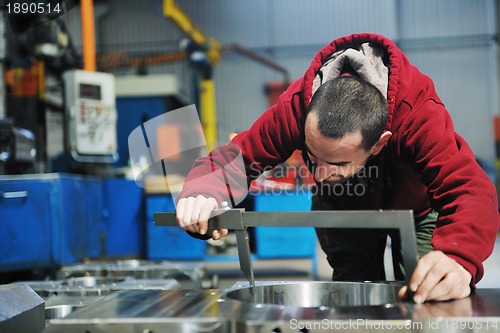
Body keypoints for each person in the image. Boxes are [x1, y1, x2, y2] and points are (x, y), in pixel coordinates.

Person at [175, 32, 500, 303]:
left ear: (379, 143)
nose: (319, 173)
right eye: (314, 157)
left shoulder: (417, 114)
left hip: (419, 208)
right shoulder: (296, 109)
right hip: (344, 205)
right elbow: (236, 159)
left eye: (338, 163)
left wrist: (459, 258)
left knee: (428, 291)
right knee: (353, 295)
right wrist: (204, 191)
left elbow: (469, 189)